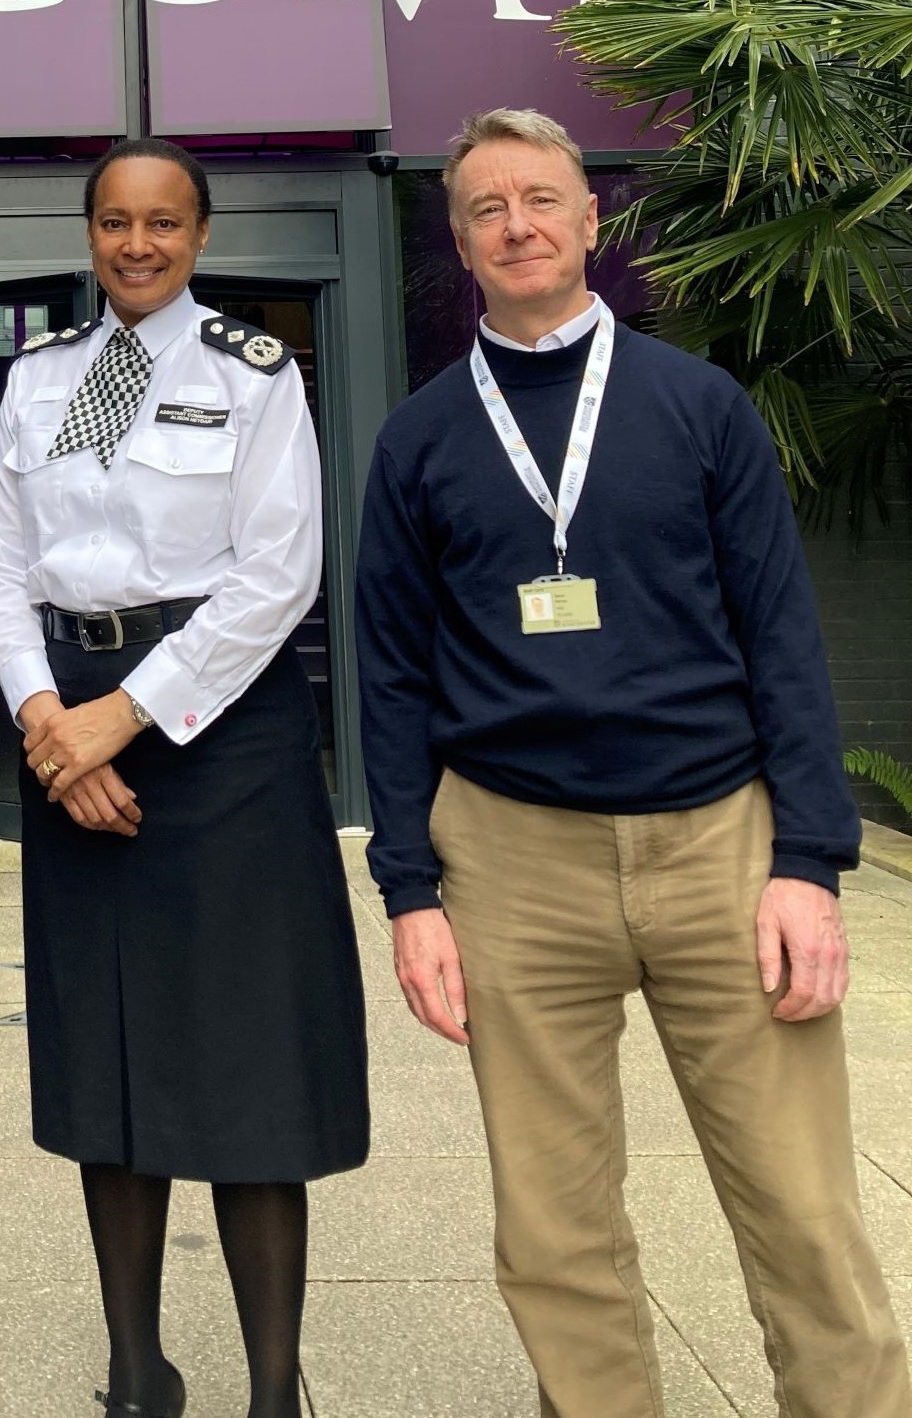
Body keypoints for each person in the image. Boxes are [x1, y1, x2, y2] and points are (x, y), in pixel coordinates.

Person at [355, 108, 912, 1417]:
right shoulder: (420, 439)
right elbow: (387, 674)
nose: (517, 224)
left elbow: (779, 630)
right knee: (554, 1237)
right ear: (460, 239)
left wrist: (807, 861)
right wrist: (410, 891)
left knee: (801, 1210)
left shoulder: (695, 405)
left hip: (718, 841)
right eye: (487, 207)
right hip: (511, 858)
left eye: (540, 198)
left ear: (588, 220)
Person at [0, 137, 368, 1418]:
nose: (137, 244)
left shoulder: (255, 376)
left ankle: (268, 1386)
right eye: (114, 222)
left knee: (248, 1053)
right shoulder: (35, 379)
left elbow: (275, 575)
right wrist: (47, 716)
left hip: (219, 728)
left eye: (164, 223)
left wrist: (120, 719)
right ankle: (135, 1372)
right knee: (109, 1054)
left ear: (199, 235)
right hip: (63, 717)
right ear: (88, 233)